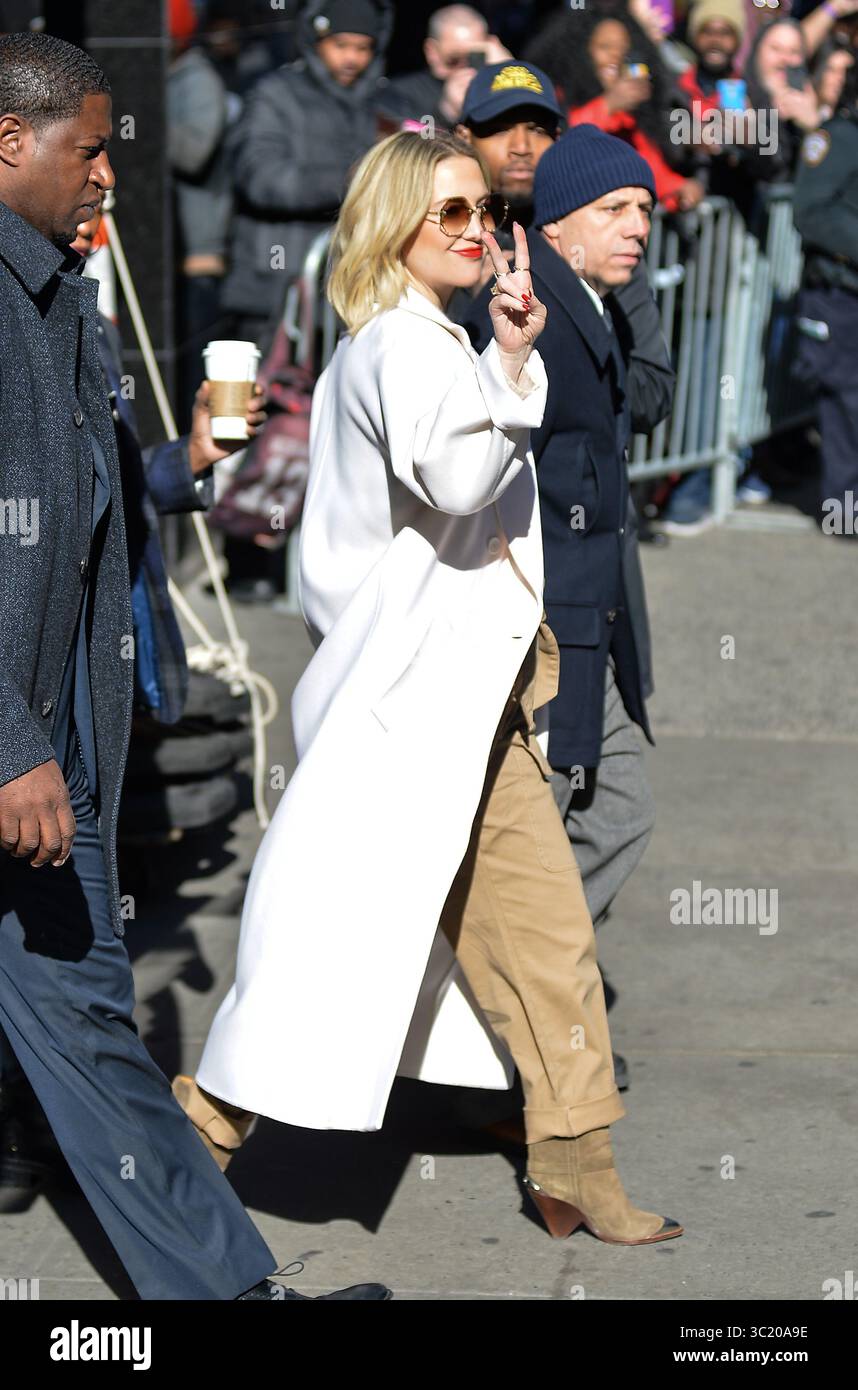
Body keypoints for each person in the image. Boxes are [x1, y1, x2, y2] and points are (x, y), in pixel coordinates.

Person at [176, 127, 683, 1246]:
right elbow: (460, 477)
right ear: (396, 227)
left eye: (477, 211)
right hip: (407, 707)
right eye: (443, 213)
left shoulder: (427, 339)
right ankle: (196, 1132)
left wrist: (502, 355)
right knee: (335, 941)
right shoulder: (403, 347)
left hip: (465, 697)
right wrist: (513, 359)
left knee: (543, 938)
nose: (469, 231)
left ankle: (576, 1159)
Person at [0, 30, 389, 1301]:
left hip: (76, 744)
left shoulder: (60, 290)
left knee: (81, 1026)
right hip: (27, 758)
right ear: (13, 142)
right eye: (93, 149)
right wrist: (14, 748)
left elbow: (94, 499)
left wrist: (185, 467)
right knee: (98, 1041)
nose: (110, 175)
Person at [453, 63, 671, 1099]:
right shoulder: (525, 295)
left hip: (591, 611)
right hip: (548, 615)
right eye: (622, 209)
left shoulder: (594, 296)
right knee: (600, 809)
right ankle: (509, 1026)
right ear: (569, 216)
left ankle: (525, 1024)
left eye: (648, 209)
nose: (640, 227)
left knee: (598, 810)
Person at [219, 0, 393, 357]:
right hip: (273, 290)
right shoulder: (275, 93)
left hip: (349, 292)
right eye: (341, 45)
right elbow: (260, 177)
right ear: (316, 41)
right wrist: (352, 180)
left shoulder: (380, 101)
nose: (352, 59)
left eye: (363, 48)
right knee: (269, 402)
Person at [526, 7, 707, 210]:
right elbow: (561, 141)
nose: (616, 56)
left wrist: (680, 190)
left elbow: (647, 169)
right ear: (581, 50)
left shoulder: (627, 113)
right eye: (605, 47)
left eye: (624, 49)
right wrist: (607, 106)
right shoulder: (554, 94)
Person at [792, 59, 858, 528]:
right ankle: (846, 511)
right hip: (840, 294)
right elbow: (811, 212)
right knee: (845, 402)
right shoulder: (838, 137)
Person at [382, 3, 510, 129]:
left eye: (475, 58)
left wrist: (510, 73)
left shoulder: (499, 83)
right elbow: (408, 146)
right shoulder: (399, 93)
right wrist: (446, 112)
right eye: (454, 59)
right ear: (432, 52)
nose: (465, 67)